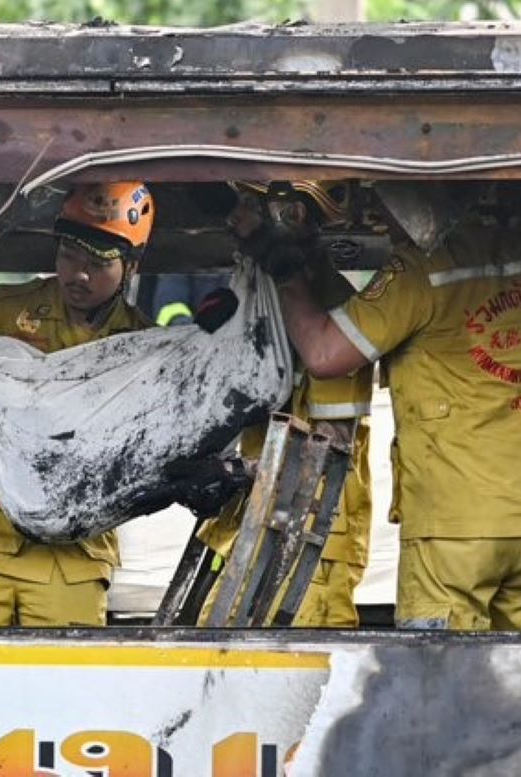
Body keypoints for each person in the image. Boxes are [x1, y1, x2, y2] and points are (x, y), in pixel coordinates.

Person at [267, 183, 521, 632]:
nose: (380, 224)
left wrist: (285, 271)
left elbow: (323, 355)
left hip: (453, 535)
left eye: (383, 212)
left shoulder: (419, 272)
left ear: (412, 211)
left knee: (441, 680)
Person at [0, 181, 156, 627]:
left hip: (73, 553)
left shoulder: (143, 347)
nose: (78, 275)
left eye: (98, 264)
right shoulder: (2, 311)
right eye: (68, 256)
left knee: (66, 689)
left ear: (131, 266)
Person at [197, 181, 374, 627]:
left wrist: (238, 471)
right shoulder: (261, 300)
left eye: (250, 211)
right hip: (259, 522)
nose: (235, 223)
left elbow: (331, 445)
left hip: (310, 535)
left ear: (291, 216)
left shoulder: (332, 308)